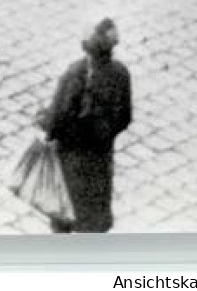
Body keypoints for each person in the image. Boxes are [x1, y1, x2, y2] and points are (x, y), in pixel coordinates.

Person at [37, 18, 133, 233]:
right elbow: (125, 117)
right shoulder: (120, 74)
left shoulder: (75, 74)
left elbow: (57, 119)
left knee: (64, 213)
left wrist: (42, 121)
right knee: (93, 217)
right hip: (99, 159)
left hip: (71, 162)